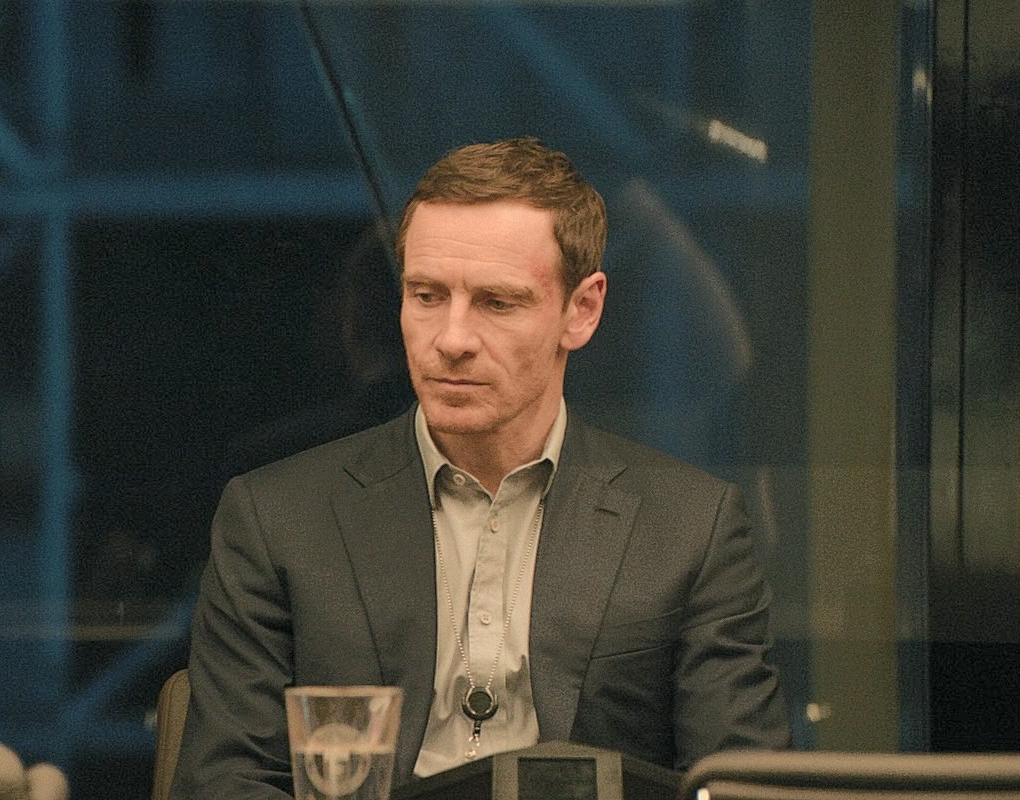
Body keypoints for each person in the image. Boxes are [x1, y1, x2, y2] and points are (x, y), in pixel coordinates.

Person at [174, 137, 791, 799]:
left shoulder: (690, 528)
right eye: (426, 295)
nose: (452, 339)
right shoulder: (277, 519)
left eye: (498, 302)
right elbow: (224, 782)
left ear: (582, 310)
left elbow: (741, 787)